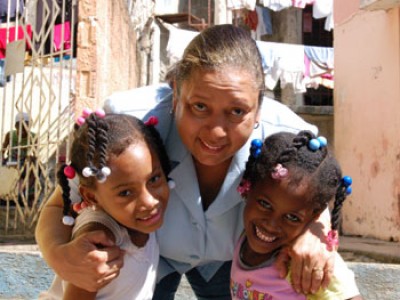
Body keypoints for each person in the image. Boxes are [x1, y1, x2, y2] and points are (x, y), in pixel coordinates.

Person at [36, 24, 336, 299]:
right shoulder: (130, 128)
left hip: (232, 261)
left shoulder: (291, 139)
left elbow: (319, 194)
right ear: (176, 93)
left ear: (259, 107)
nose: (216, 132)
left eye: (237, 112)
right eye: (200, 106)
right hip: (147, 256)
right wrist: (60, 256)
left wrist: (313, 233)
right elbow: (58, 205)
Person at [39, 110, 172, 299]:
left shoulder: (137, 221)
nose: (149, 201)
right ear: (91, 197)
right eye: (125, 192)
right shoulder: (99, 241)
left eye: (154, 179)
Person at [231, 130, 362, 299]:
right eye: (265, 204)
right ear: (248, 187)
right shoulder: (245, 239)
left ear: (314, 216)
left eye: (292, 217)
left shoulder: (309, 263)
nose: (271, 224)